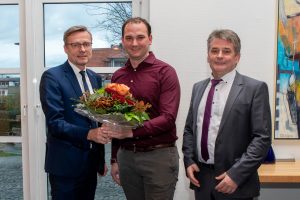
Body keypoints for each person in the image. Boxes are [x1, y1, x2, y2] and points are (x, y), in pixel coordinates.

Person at [182, 29, 271, 200]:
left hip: (235, 182)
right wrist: (189, 160)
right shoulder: (198, 88)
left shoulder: (255, 89)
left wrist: (236, 174)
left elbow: (262, 138)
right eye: (214, 51)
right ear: (208, 56)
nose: (219, 55)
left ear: (237, 57)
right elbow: (189, 130)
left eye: (226, 51)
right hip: (202, 180)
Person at [104, 17, 181, 200]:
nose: (134, 43)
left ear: (150, 39)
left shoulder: (165, 72)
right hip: (127, 158)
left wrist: (130, 132)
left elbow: (168, 117)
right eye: (129, 38)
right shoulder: (118, 76)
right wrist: (115, 159)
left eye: (140, 37)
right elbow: (117, 120)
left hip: (159, 157)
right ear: (123, 41)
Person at [39, 25, 111, 200]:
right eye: (75, 45)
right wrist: (90, 134)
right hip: (65, 166)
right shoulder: (52, 77)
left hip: (90, 164)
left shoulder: (95, 78)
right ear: (65, 48)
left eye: (86, 44)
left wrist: (100, 159)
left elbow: (95, 119)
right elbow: (55, 123)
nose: (82, 49)